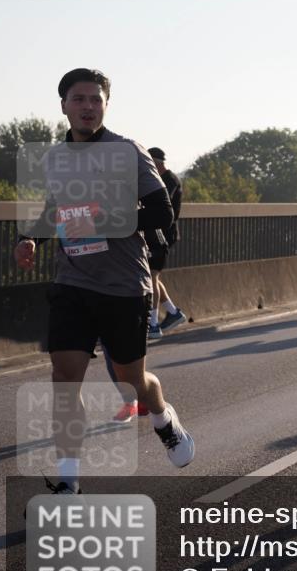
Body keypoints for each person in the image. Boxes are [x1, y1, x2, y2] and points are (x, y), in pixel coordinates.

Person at [14, 68, 194, 493]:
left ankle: (163, 418)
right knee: (64, 378)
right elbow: (52, 210)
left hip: (123, 284)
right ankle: (68, 482)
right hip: (72, 282)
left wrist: (102, 217)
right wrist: (28, 239)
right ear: (64, 105)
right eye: (79, 99)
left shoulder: (128, 151)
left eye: (96, 99)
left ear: (105, 106)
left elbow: (161, 214)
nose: (88, 107)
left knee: (134, 378)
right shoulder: (55, 158)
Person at [145, 147, 187, 338]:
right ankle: (172, 312)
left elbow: (163, 207)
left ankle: (152, 324)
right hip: (154, 235)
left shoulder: (169, 181)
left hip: (163, 235)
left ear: (157, 163)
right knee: (153, 277)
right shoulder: (160, 179)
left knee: (152, 277)